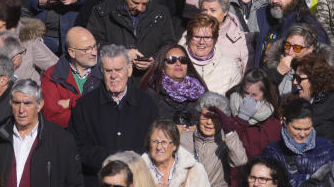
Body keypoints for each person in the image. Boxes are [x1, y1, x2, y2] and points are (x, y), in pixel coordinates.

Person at [68, 44, 158, 183]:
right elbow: (77, 149)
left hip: (136, 181)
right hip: (98, 181)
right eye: (108, 70)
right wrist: (116, 157)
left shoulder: (147, 104)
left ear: (129, 70)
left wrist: (135, 160)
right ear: (101, 72)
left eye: (118, 69)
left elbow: (155, 144)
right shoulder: (85, 105)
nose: (114, 76)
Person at [87, 0, 174, 73]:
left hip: (147, 78)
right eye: (135, 3)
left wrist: (154, 60)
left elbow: (169, 45)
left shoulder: (160, 13)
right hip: (114, 75)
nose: (140, 8)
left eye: (145, 3)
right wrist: (121, 53)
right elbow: (93, 44)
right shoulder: (103, 12)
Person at [289, 55, 334, 148]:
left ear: (316, 79)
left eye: (299, 78)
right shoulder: (294, 101)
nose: (295, 82)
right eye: (294, 77)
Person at [40, 26, 102, 128]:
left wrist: (70, 103)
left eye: (95, 46)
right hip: (66, 137)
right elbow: (51, 116)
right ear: (72, 52)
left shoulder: (106, 70)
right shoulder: (52, 76)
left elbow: (110, 106)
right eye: (86, 49)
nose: (94, 53)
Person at [139, 119, 212, 187]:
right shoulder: (138, 170)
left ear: (174, 145)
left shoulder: (195, 171)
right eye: (154, 141)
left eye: (164, 142)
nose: (159, 147)